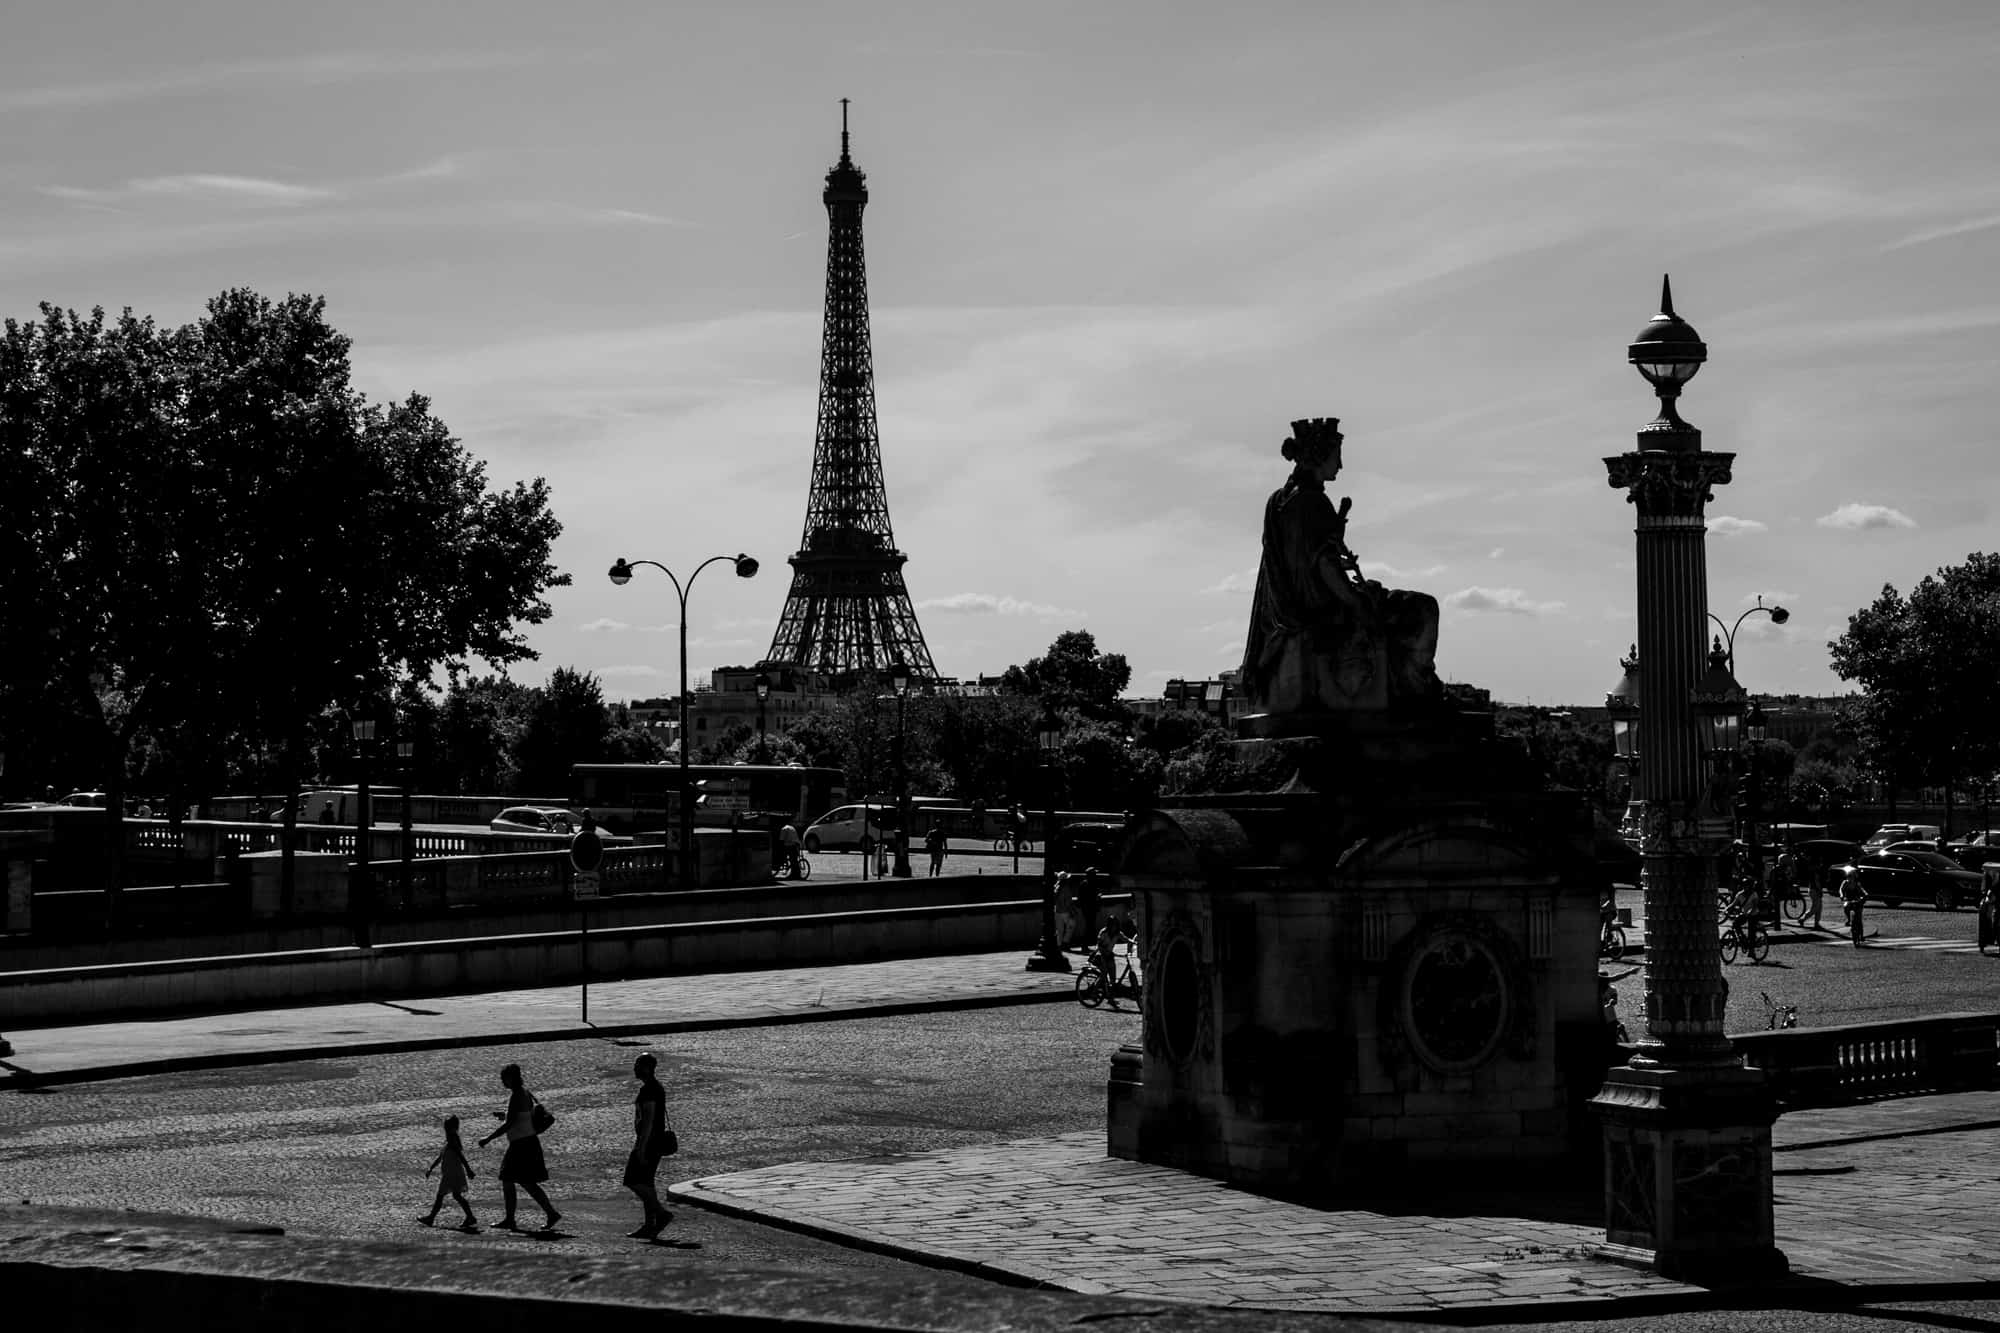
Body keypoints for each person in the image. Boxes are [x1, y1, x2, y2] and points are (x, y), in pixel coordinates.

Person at [1240, 417, 1442, 714]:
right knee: (1423, 608)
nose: (1341, 465)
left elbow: (1300, 562)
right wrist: (1357, 600)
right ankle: (1416, 689)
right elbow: (1324, 567)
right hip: (1325, 607)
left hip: (1291, 610)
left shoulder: (1278, 502)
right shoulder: (1313, 503)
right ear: (1320, 455)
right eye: (1337, 456)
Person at [478, 1062, 560, 1231]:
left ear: (511, 1078)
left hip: (521, 1145)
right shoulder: (524, 1092)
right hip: (527, 1142)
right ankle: (549, 1214)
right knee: (525, 1182)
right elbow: (521, 1117)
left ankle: (512, 1219)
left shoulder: (516, 1095)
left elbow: (510, 1124)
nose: (502, 1081)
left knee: (510, 1180)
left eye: (503, 1078)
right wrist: (505, 1115)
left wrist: (488, 1138)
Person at [623, 1052, 675, 1239]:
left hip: (650, 1143)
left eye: (638, 1065)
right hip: (653, 1141)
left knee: (632, 1180)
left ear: (647, 1068)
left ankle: (661, 1214)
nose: (635, 1068)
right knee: (646, 1183)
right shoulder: (653, 1087)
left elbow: (648, 1121)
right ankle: (649, 1224)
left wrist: (641, 1148)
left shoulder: (650, 1090)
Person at [420, 1115, 479, 1231]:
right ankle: (470, 1217)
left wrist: (468, 1169)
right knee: (456, 1195)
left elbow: (460, 1155)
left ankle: (431, 1218)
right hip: (452, 1172)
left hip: (452, 1173)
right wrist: (431, 1168)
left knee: (441, 1196)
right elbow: (440, 1157)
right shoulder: (450, 1141)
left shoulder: (452, 1140)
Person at [1839, 867, 1867, 948]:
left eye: (1852, 876)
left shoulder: (1857, 884)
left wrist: (1864, 895)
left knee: (1859, 918)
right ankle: (1848, 919)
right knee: (1846, 906)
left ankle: (1861, 935)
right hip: (1849, 900)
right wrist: (1842, 895)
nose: (1850, 877)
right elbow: (1841, 890)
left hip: (1857, 901)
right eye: (1849, 876)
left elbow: (1863, 891)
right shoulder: (1845, 883)